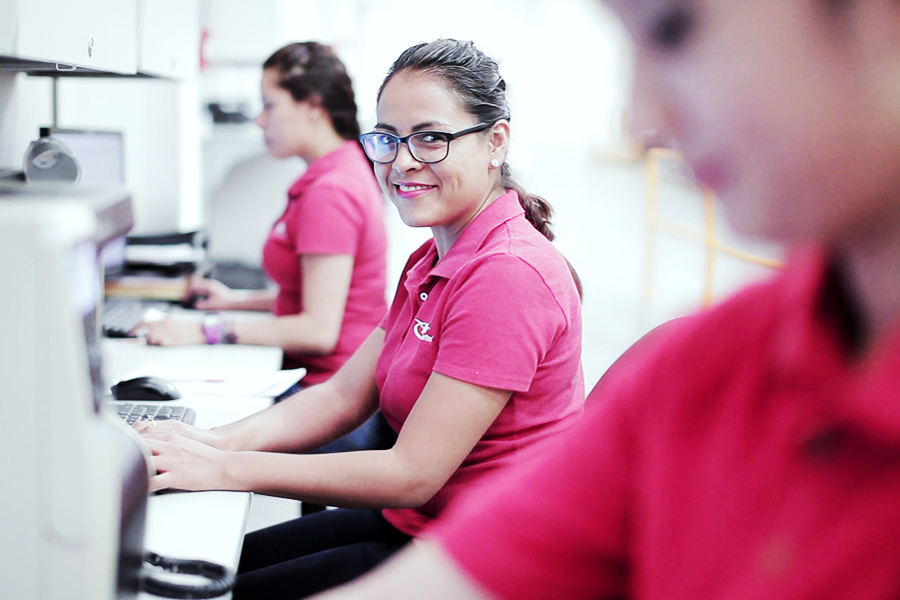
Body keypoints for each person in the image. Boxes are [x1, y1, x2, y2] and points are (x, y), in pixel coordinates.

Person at [308, 0, 900, 599]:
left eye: (674, 31)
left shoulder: (510, 272)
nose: (643, 118)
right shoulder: (710, 364)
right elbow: (479, 561)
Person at [136, 38, 585, 600]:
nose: (401, 162)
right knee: (218, 568)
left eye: (430, 138)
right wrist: (210, 443)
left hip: (490, 556)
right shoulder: (435, 256)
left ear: (495, 141)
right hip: (422, 523)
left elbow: (411, 474)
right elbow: (345, 395)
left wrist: (224, 468)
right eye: (388, 139)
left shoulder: (508, 274)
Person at [144, 42, 388, 391]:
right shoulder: (338, 172)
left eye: (269, 105)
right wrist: (234, 303)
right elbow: (313, 296)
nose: (260, 120)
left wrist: (206, 329)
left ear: (313, 106)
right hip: (330, 383)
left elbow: (317, 330)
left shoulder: (331, 191)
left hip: (328, 392)